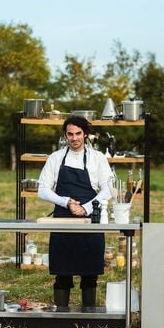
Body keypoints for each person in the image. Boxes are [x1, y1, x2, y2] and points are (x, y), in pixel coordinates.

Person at [38, 115, 113, 308]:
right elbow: (43, 189)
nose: (74, 138)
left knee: (90, 274)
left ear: (85, 134)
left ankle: (88, 317)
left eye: (78, 133)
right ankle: (61, 315)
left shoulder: (98, 159)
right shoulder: (55, 158)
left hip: (90, 219)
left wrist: (86, 207)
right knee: (62, 273)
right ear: (65, 135)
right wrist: (67, 202)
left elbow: (108, 190)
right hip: (62, 219)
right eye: (70, 134)